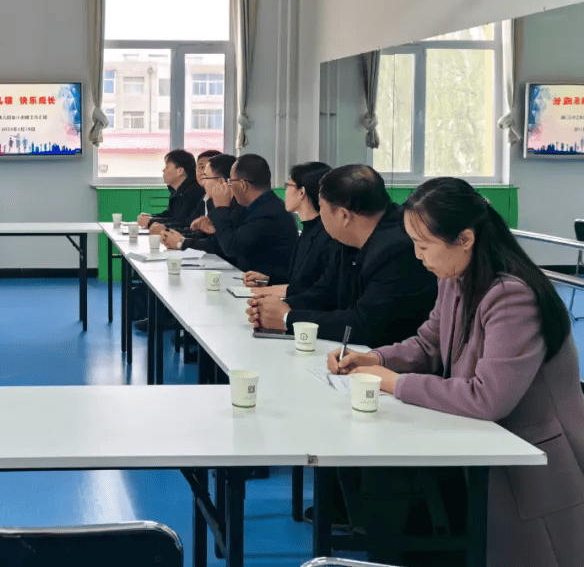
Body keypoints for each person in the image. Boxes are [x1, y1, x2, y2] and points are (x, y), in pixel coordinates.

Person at [329, 177, 584, 567]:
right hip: (488, 447)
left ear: (464, 238)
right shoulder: (457, 278)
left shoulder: (512, 295)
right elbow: (430, 344)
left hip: (532, 463)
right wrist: (375, 360)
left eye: (424, 245)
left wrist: (396, 383)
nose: (418, 256)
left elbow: (488, 398)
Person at [248, 164, 437, 346]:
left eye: (321, 208)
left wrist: (287, 318)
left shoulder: (398, 249)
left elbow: (365, 325)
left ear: (343, 215)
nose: (320, 215)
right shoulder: (348, 239)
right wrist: (271, 308)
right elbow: (325, 294)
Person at [169, 154, 297, 283]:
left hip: (267, 288)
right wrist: (214, 228)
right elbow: (227, 239)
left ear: (243, 185)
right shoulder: (256, 206)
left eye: (231, 181)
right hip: (248, 281)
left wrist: (221, 209)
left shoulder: (268, 213)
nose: (229, 186)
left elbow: (231, 247)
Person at [243, 161, 335, 296]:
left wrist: (261, 291)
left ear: (301, 192)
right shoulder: (309, 230)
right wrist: (268, 281)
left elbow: (309, 290)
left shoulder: (324, 235)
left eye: (288, 185)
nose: (285, 191)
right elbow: (298, 281)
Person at [137, 150, 205, 236]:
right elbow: (170, 215)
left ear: (180, 171)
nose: (163, 170)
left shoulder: (194, 192)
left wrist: (151, 222)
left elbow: (184, 222)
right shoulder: (176, 191)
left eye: (167, 167)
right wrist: (151, 217)